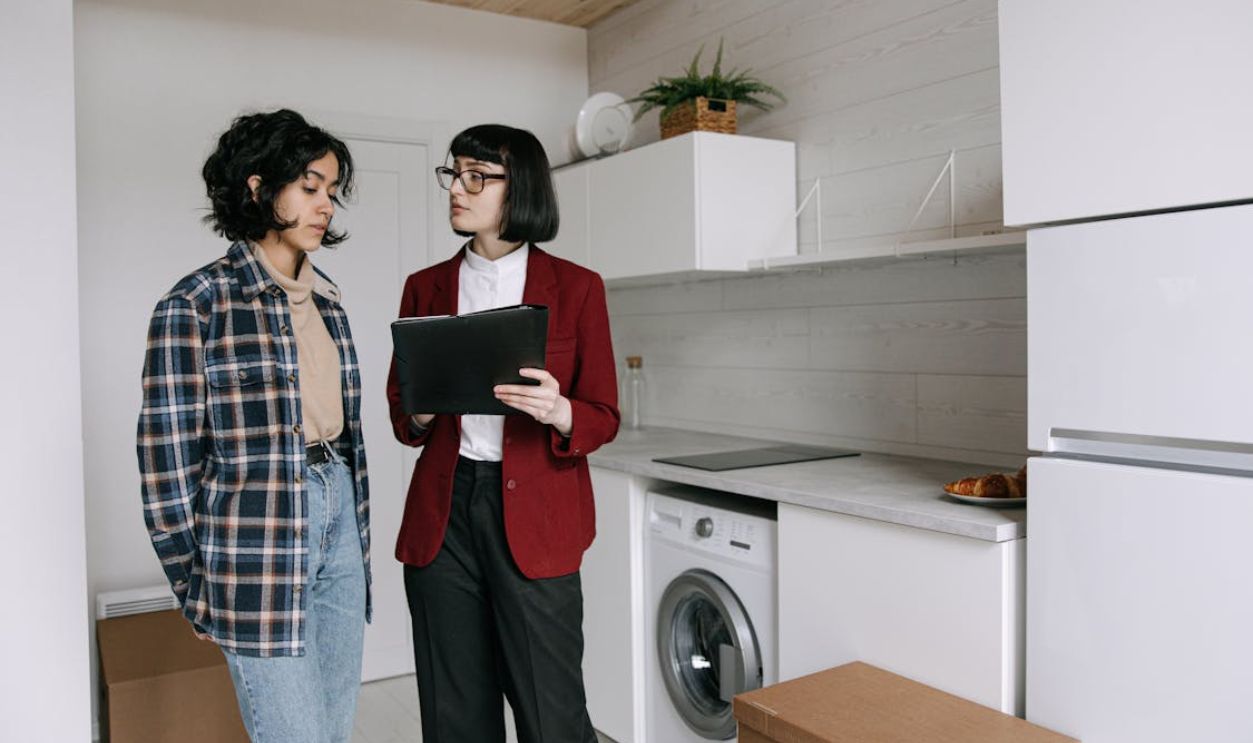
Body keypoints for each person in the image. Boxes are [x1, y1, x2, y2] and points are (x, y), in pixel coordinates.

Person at [137, 109, 372, 743]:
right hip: (255, 539)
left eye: (331, 190)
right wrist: (196, 585)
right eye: (310, 187)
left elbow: (345, 431)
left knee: (334, 729)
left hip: (337, 510)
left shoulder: (329, 302)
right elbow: (165, 465)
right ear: (258, 187)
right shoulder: (195, 305)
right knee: (295, 734)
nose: (326, 205)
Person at [386, 124, 620, 743]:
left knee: (552, 715)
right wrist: (423, 411)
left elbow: (603, 414)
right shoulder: (425, 287)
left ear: (520, 189)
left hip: (538, 512)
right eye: (453, 174)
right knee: (455, 716)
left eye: (476, 177)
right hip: (445, 516)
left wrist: (558, 410)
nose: (456, 189)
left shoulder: (578, 288)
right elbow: (402, 414)